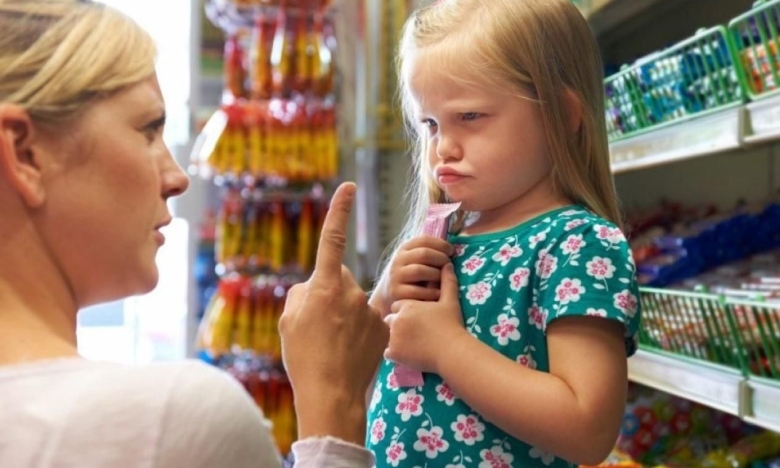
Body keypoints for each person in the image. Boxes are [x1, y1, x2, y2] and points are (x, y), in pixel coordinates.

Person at [0, 1, 384, 466]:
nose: (178, 177)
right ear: (24, 153)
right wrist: (336, 405)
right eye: (147, 130)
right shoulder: (167, 422)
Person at [366, 0, 642, 466]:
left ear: (562, 114)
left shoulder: (576, 244)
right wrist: (384, 296)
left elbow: (589, 426)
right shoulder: (449, 236)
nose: (442, 148)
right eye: (429, 124)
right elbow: (357, 366)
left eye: (470, 117)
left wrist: (448, 349)